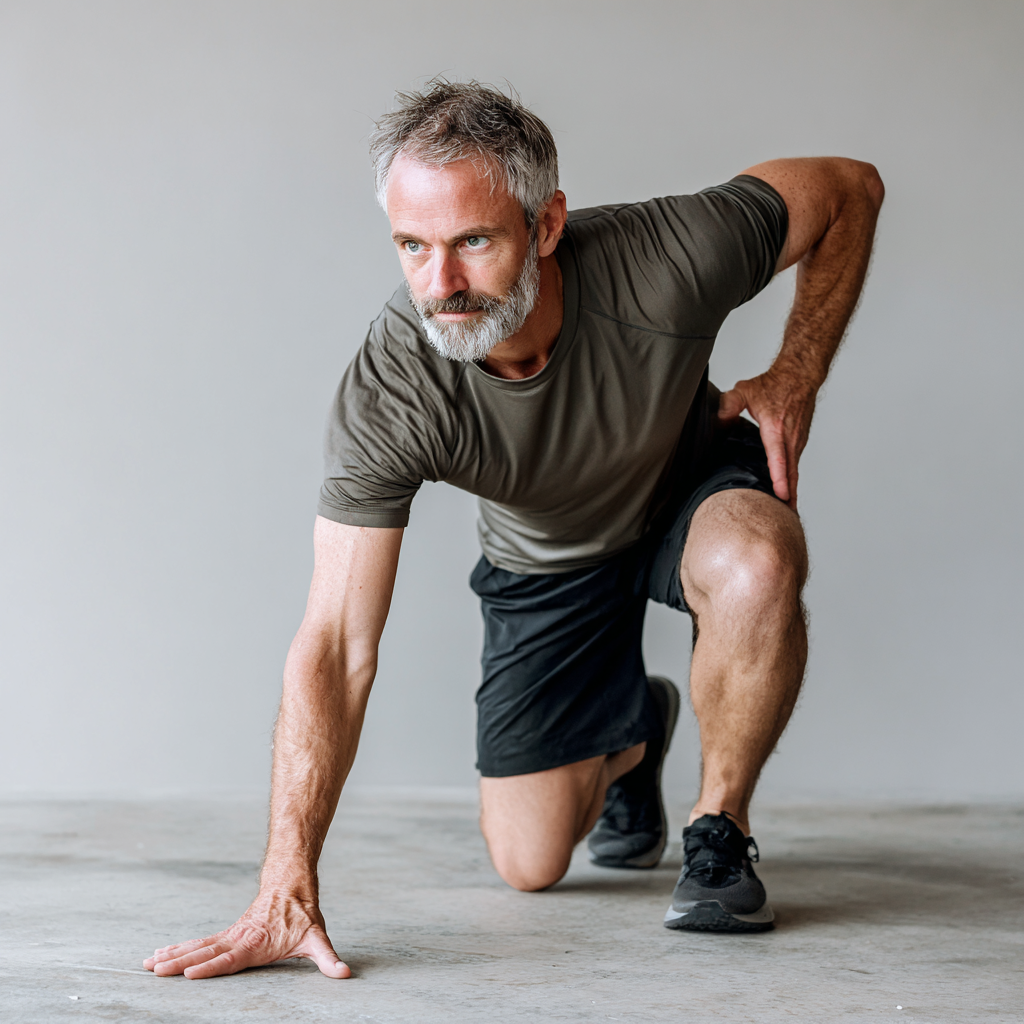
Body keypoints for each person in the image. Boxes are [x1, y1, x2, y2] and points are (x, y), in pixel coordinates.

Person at [144, 80, 883, 979]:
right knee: (528, 865)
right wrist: (284, 884)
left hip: (685, 488)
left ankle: (717, 833)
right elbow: (336, 643)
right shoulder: (394, 389)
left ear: (546, 225)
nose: (440, 285)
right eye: (412, 246)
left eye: (473, 242)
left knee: (757, 560)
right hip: (547, 557)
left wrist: (796, 370)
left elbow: (848, 186)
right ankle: (634, 734)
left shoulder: (668, 255)